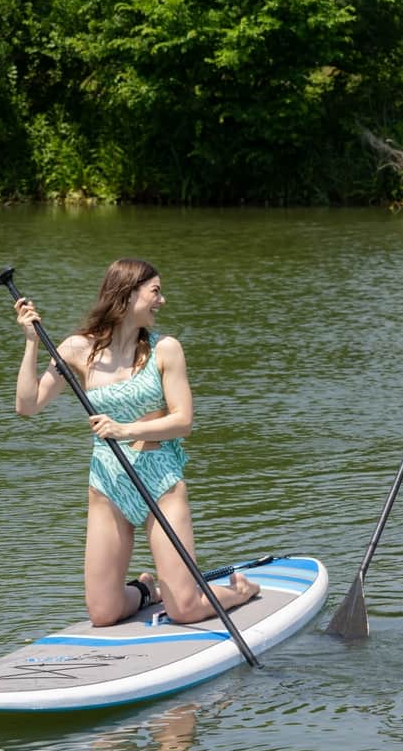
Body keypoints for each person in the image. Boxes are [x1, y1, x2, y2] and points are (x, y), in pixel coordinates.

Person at [14, 257, 260, 626]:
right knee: (103, 613)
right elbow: (28, 406)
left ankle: (240, 591)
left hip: (159, 479)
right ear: (127, 295)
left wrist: (126, 430)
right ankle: (149, 589)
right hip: (108, 484)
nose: (162, 300)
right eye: (155, 292)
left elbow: (183, 422)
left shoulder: (166, 349)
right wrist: (32, 343)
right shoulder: (76, 349)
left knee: (186, 611)